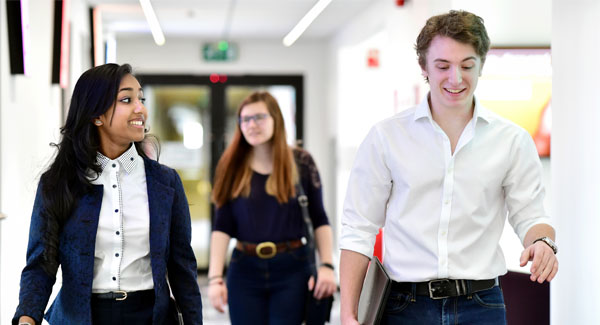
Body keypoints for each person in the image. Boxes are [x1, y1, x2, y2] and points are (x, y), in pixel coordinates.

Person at [339, 10, 558, 324]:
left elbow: (532, 215)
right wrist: (348, 313)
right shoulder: (386, 138)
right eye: (443, 66)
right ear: (424, 67)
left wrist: (542, 243)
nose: (456, 78)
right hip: (403, 306)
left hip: (481, 306)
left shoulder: (511, 140)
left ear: (481, 64)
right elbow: (358, 229)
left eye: (467, 66)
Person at [13, 63, 203, 324]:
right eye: (127, 99)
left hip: (150, 317)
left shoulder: (165, 183)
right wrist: (27, 317)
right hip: (81, 317)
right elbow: (41, 264)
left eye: (141, 99)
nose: (140, 109)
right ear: (96, 115)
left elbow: (183, 269)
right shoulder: (58, 183)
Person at [207, 91, 337, 324]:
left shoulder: (301, 162)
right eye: (245, 119)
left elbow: (319, 218)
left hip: (292, 268)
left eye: (259, 117)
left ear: (276, 119)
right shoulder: (231, 165)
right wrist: (215, 278)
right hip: (244, 269)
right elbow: (221, 226)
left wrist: (327, 265)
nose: (251, 125)